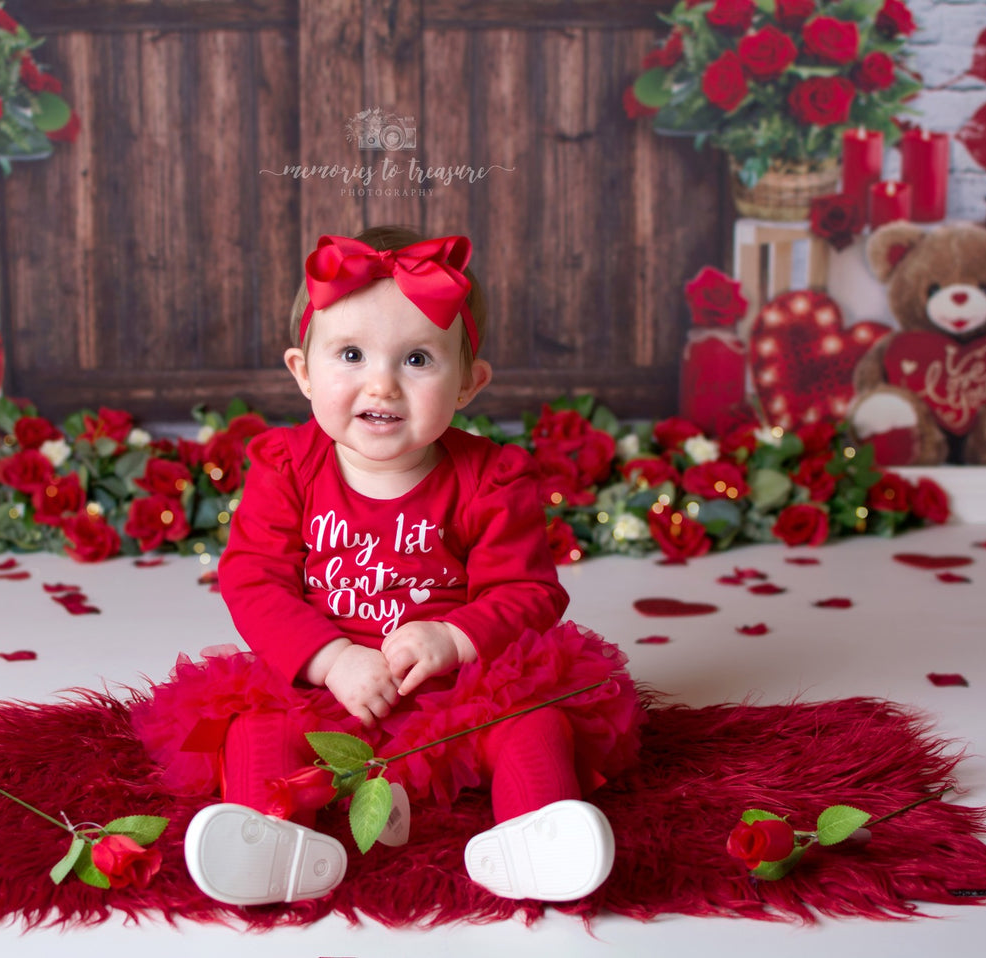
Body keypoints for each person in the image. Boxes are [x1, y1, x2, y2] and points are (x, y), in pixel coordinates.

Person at [136, 226, 643, 907]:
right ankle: (271, 841)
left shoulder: (489, 478)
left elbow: (528, 591)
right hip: (322, 684)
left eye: (416, 360)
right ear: (302, 370)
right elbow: (252, 578)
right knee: (255, 725)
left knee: (533, 717)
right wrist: (330, 658)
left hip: (457, 688)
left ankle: (533, 832)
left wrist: (452, 638)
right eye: (350, 353)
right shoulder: (287, 466)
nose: (381, 383)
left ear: (468, 382)